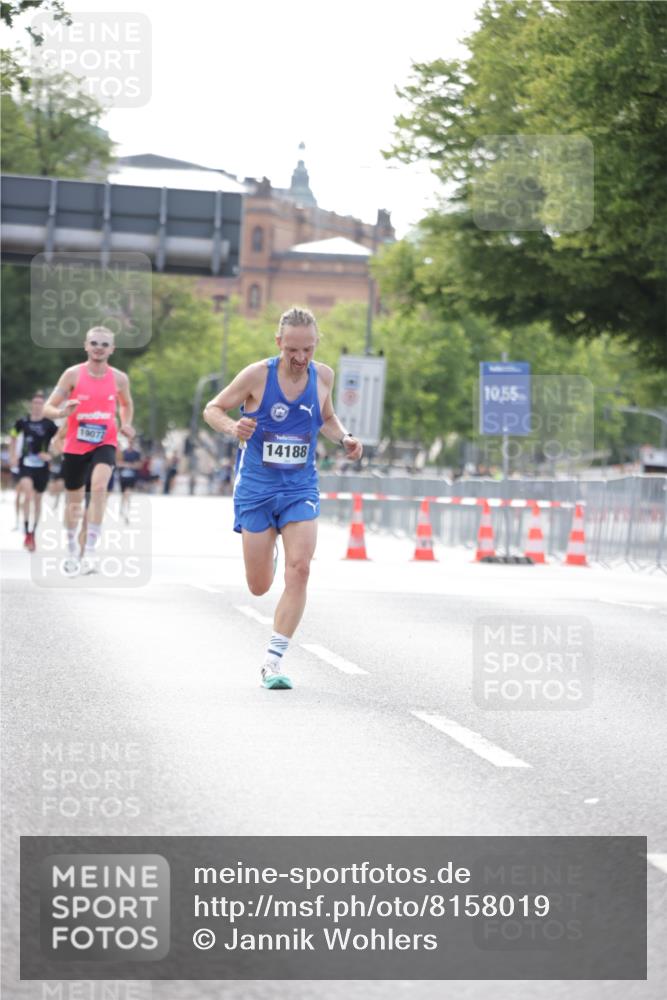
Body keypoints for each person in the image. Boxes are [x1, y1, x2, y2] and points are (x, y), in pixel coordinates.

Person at [203, 306, 362, 690]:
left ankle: (273, 662)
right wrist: (231, 426)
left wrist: (344, 438)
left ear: (315, 345)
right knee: (258, 585)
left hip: (299, 486)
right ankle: (269, 547)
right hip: (256, 488)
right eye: (292, 349)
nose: (300, 357)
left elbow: (325, 417)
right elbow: (213, 408)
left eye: (307, 349)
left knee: (301, 569)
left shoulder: (323, 375)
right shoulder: (257, 374)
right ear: (279, 343)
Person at [43, 326, 135, 575]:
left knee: (98, 488)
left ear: (112, 349)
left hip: (105, 440)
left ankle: (91, 550)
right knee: (74, 502)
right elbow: (48, 408)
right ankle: (72, 549)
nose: (99, 347)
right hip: (75, 444)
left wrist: (126, 424)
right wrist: (62, 412)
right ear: (86, 346)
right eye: (94, 342)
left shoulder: (119, 378)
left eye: (104, 344)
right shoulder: (72, 375)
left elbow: (126, 404)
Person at [9, 392, 58, 551]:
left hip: (42, 468)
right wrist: (13, 456)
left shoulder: (49, 425)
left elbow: (60, 442)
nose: (37, 406)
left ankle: (33, 533)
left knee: (37, 500)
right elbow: (13, 437)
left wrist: (50, 455)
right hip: (25, 465)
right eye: (35, 403)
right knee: (27, 495)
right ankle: (25, 530)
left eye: (40, 403)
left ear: (43, 406)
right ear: (31, 405)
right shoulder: (22, 422)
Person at [118, 440, 142, 521]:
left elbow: (139, 465)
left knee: (128, 493)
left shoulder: (136, 453)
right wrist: (126, 465)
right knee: (123, 494)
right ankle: (122, 507)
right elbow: (118, 463)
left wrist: (130, 465)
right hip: (123, 476)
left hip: (132, 477)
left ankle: (127, 510)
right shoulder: (123, 452)